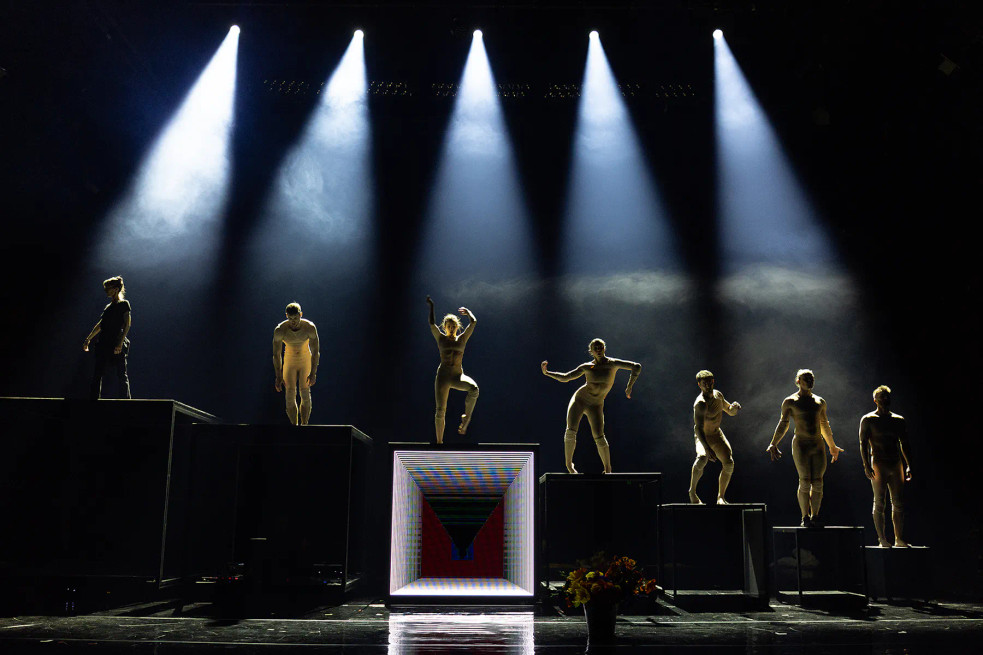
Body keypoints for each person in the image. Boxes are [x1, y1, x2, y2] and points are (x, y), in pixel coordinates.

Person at [541, 338, 641, 474]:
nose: (599, 350)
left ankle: (608, 469)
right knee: (571, 431)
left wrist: (629, 386)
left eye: (601, 347)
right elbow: (566, 377)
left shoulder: (613, 364)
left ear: (604, 348)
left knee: (599, 436)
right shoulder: (587, 367)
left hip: (596, 404)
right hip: (580, 399)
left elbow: (636, 367)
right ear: (591, 351)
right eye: (596, 348)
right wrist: (547, 373)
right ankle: (569, 466)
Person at [767, 369, 845, 527]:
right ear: (798, 381)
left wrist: (832, 445)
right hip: (801, 444)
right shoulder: (790, 401)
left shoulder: (819, 402)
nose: (810, 381)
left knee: (818, 482)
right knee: (805, 481)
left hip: (817, 444)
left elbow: (824, 425)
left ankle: (815, 516)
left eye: (811, 378)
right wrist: (773, 443)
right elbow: (783, 424)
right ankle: (805, 517)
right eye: (806, 378)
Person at [859, 385, 912, 547]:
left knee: (898, 502)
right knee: (879, 502)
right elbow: (863, 443)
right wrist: (866, 464)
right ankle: (882, 538)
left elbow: (904, 443)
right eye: (881, 397)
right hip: (879, 463)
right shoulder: (868, 419)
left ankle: (898, 538)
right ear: (875, 400)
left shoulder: (898, 420)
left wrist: (909, 465)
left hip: (895, 463)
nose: (885, 399)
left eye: (887, 396)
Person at [427, 296, 479, 444]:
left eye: (453, 326)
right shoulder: (441, 338)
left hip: (457, 375)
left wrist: (468, 312)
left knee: (474, 389)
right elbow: (432, 324)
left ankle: (466, 419)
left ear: (457, 327)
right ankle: (439, 442)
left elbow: (473, 322)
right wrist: (431, 306)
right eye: (448, 326)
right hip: (443, 376)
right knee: (440, 410)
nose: (451, 328)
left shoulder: (462, 339)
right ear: (445, 327)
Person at [690, 370, 742, 505]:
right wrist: (707, 448)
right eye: (704, 383)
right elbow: (698, 428)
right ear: (699, 385)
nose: (708, 386)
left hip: (716, 434)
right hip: (703, 436)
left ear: (713, 381)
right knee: (702, 459)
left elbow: (729, 411)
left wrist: (734, 407)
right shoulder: (700, 403)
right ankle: (692, 492)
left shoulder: (718, 395)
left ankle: (721, 497)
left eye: (709, 382)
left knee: (729, 463)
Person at [83, 276, 132, 400]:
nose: (106, 291)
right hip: (104, 343)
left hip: (116, 342)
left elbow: (127, 324)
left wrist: (120, 342)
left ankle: (126, 402)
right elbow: (100, 325)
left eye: (108, 288)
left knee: (121, 374)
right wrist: (88, 338)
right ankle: (93, 400)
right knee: (97, 374)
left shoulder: (124, 304)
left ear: (116, 289)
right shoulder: (108, 307)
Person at [272, 302, 319, 425]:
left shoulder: (309, 327)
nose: (293, 322)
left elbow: (315, 352)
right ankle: (294, 426)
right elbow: (276, 355)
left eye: (296, 318)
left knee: (305, 392)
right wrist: (278, 376)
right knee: (289, 394)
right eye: (290, 318)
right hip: (290, 361)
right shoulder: (280, 330)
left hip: (305, 360)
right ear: (286, 316)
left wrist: (313, 372)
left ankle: (304, 424)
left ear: (300, 315)